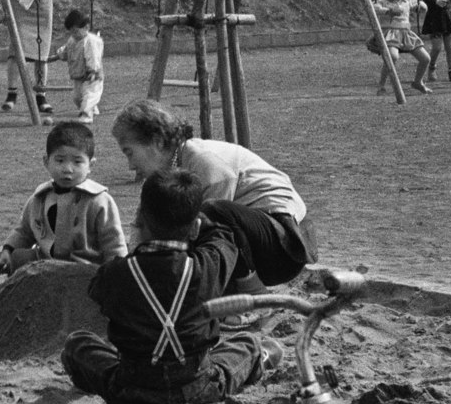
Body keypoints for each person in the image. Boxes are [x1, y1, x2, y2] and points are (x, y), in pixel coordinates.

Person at [60, 170, 279, 404]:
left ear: (140, 220)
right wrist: (198, 224)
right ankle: (262, 359)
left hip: (129, 390)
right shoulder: (207, 266)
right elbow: (225, 238)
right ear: (194, 228)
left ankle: (86, 380)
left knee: (76, 345)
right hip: (198, 388)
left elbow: (97, 291)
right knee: (248, 343)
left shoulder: (115, 274)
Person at [110, 98, 314, 292]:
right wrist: (132, 267)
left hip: (286, 246)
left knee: (210, 215)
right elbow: (142, 224)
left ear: (156, 142)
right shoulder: (165, 175)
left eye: (129, 152)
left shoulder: (203, 160)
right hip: (255, 245)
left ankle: (254, 294)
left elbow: (208, 235)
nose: (130, 165)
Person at [0, 121, 127, 274]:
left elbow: (113, 243)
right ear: (46, 162)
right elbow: (24, 231)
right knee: (18, 256)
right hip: (46, 264)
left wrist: (116, 273)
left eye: (77, 162)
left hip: (84, 269)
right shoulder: (39, 198)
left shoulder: (99, 201)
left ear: (91, 165)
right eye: (60, 160)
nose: (67, 169)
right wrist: (8, 249)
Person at [373, 0, 434, 94]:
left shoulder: (406, 1)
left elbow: (422, 5)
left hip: (407, 35)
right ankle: (381, 85)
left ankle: (418, 82)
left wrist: (421, 7)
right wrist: (388, 11)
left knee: (426, 58)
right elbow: (373, 7)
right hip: (393, 35)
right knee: (392, 56)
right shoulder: (384, 1)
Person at [50, 8, 105, 123]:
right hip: (78, 75)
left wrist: (93, 71)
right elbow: (66, 51)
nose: (73, 34)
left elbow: (93, 57)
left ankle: (86, 115)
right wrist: (56, 57)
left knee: (89, 94)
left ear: (86, 27)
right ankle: (92, 108)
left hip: (92, 76)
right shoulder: (72, 40)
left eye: (75, 31)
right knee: (77, 98)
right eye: (71, 32)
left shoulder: (90, 41)